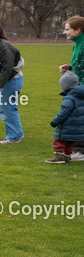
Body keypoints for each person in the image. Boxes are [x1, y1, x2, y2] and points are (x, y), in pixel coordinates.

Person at [59, 16, 84, 159]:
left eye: (67, 29)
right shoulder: (77, 43)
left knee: (78, 117)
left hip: (81, 87)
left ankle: (80, 151)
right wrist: (70, 67)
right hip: (78, 86)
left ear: (78, 30)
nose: (65, 32)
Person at [47, 72, 84, 164]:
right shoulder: (80, 96)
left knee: (58, 141)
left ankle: (59, 158)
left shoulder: (69, 98)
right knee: (70, 143)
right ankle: (67, 157)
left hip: (66, 126)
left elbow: (63, 113)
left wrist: (54, 122)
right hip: (78, 127)